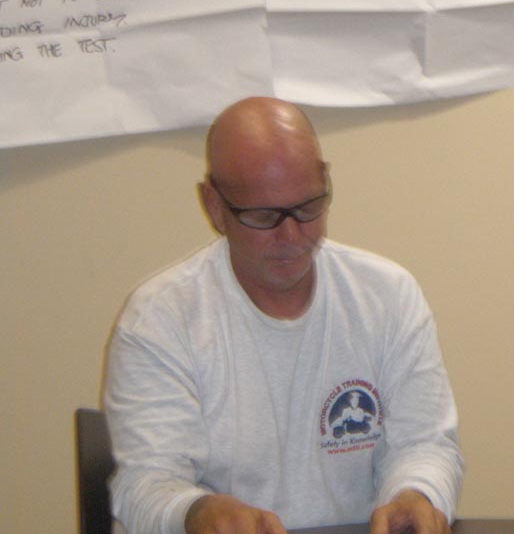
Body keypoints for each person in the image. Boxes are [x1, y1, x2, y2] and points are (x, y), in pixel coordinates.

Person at [104, 97, 464, 534]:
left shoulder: (388, 295)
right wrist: (195, 512)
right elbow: (146, 484)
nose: (292, 235)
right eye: (264, 216)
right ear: (214, 206)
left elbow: (425, 444)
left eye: (309, 208)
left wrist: (417, 493)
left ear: (326, 181)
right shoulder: (161, 320)